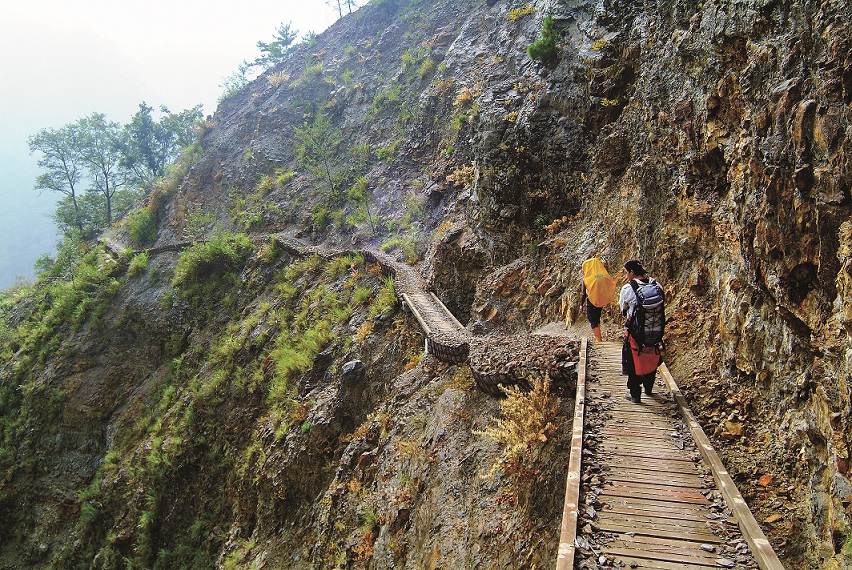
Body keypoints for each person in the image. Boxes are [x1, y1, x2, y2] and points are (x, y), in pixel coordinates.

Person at [619, 259, 663, 403]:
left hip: (636, 333)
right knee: (650, 356)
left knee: (632, 360)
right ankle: (649, 388)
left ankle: (635, 394)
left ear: (631, 272)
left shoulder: (628, 288)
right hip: (655, 331)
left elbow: (623, 309)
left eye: (627, 272)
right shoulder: (657, 286)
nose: (626, 276)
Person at [580, 257, 615, 342]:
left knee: (592, 319)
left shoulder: (588, 279)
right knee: (597, 317)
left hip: (591, 301)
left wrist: (581, 305)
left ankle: (598, 339)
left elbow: (583, 293)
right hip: (600, 300)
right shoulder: (602, 276)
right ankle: (599, 338)